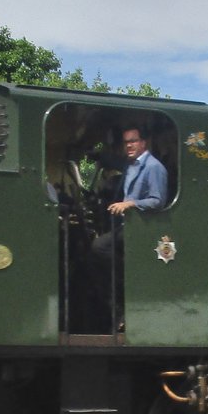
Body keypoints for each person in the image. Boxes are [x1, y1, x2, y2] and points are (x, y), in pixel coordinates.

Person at [88, 125, 168, 328]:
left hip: (143, 228)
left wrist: (131, 203)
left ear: (143, 143)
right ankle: (113, 309)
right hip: (129, 226)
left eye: (133, 141)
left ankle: (123, 282)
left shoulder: (154, 167)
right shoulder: (131, 164)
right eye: (126, 142)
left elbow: (157, 200)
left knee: (100, 247)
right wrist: (97, 155)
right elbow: (116, 162)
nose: (129, 145)